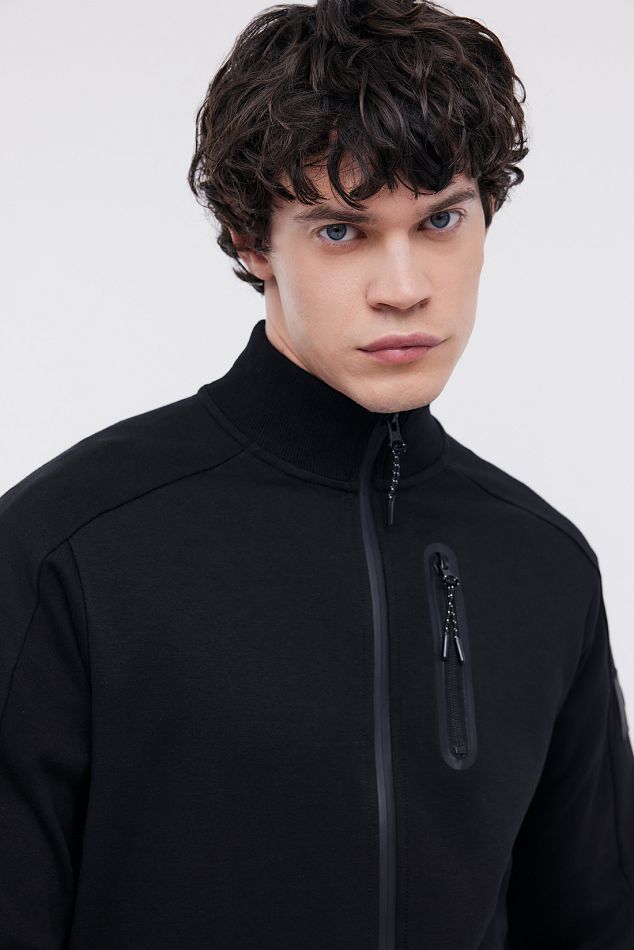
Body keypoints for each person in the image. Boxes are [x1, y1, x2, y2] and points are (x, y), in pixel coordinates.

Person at [1, 0, 632, 946]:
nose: (405, 287)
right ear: (252, 240)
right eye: (341, 230)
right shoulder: (66, 549)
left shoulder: (544, 563)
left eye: (441, 220)